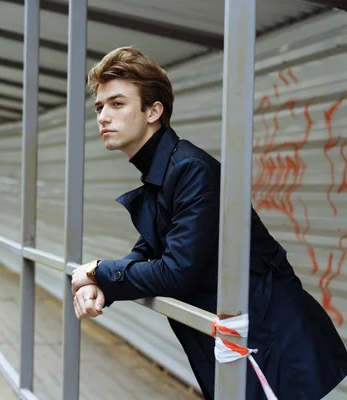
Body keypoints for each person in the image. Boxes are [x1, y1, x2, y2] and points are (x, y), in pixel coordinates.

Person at [70, 46, 347, 400]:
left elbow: (175, 270)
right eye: (100, 107)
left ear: (154, 111)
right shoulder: (165, 173)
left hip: (272, 343)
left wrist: (97, 270)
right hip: (248, 342)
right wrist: (101, 284)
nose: (103, 116)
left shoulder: (190, 170)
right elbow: (148, 251)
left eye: (117, 103)